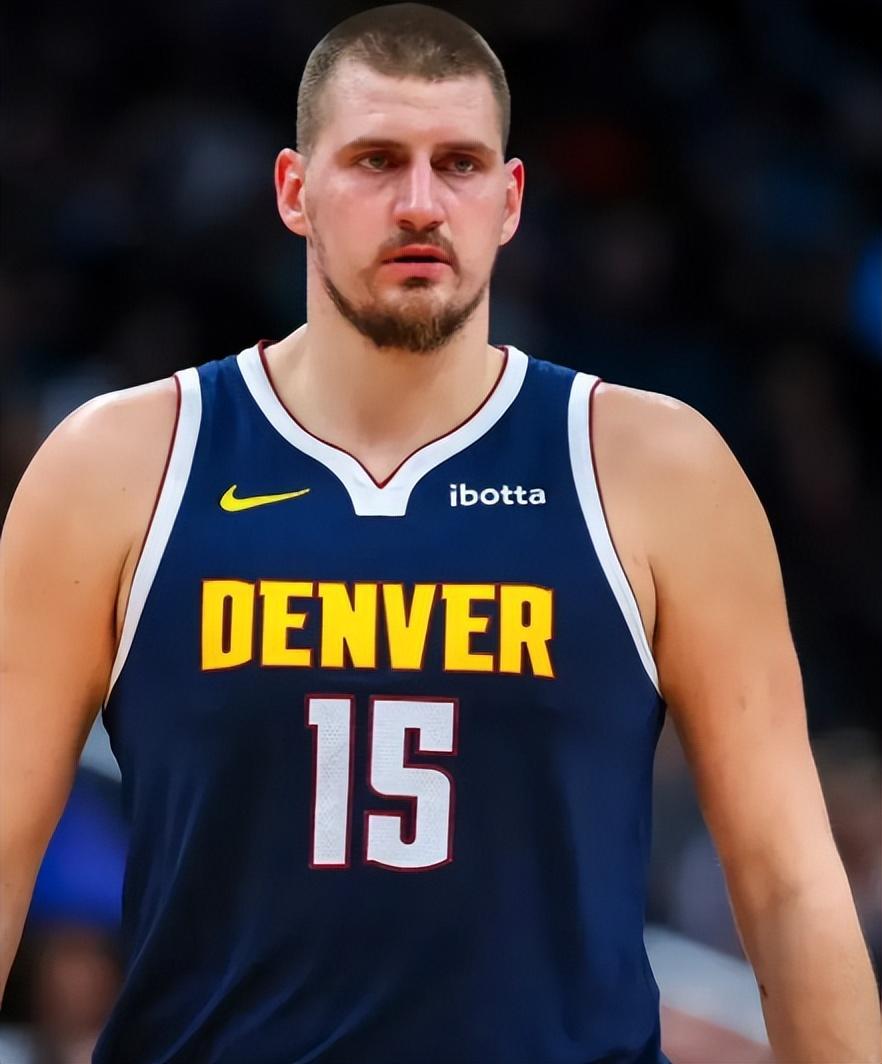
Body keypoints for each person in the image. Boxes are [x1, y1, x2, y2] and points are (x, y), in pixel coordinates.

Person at [0, 4, 878, 1062]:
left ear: (509, 200)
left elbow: (788, 884)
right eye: (376, 160)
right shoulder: (118, 464)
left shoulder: (659, 469)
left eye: (458, 164)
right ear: (294, 190)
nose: (420, 203)